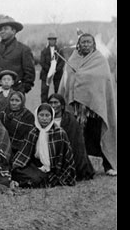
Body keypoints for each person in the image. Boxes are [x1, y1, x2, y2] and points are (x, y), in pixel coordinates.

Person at [58, 33, 117, 176]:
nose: (85, 45)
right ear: (79, 44)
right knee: (78, 137)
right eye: (83, 42)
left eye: (88, 42)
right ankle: (82, 165)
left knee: (100, 133)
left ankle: (108, 165)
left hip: (95, 106)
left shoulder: (99, 60)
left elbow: (103, 78)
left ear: (93, 44)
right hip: (76, 107)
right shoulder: (73, 58)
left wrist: (82, 75)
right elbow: (67, 79)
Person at [11, 104, 76, 188]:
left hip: (54, 168)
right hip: (36, 165)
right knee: (17, 171)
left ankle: (22, 183)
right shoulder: (33, 132)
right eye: (41, 115)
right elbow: (25, 154)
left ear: (52, 117)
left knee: (40, 179)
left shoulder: (59, 133)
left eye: (47, 115)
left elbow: (66, 156)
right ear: (37, 116)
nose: (44, 118)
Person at [48, 93, 94, 181]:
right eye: (51, 103)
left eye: (55, 103)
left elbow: (76, 143)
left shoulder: (70, 120)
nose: (53, 105)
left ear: (62, 106)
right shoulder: (45, 119)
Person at [0, 16, 35, 95]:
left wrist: (22, 89)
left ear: (14, 31)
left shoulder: (23, 49)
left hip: (14, 94)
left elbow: (30, 75)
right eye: (0, 29)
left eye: (5, 29)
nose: (2, 31)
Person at [0, 90, 35, 163]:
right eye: (11, 100)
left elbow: (28, 137)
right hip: (4, 146)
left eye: (17, 100)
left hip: (20, 148)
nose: (14, 103)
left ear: (22, 102)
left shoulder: (28, 116)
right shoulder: (4, 112)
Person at [40, 33, 65, 103]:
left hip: (57, 74)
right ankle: (44, 105)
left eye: (53, 39)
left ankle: (58, 104)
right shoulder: (44, 51)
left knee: (58, 90)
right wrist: (49, 70)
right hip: (46, 74)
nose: (52, 41)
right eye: (50, 39)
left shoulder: (60, 51)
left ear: (56, 41)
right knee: (44, 91)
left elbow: (62, 61)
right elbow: (42, 62)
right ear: (48, 40)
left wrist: (56, 69)